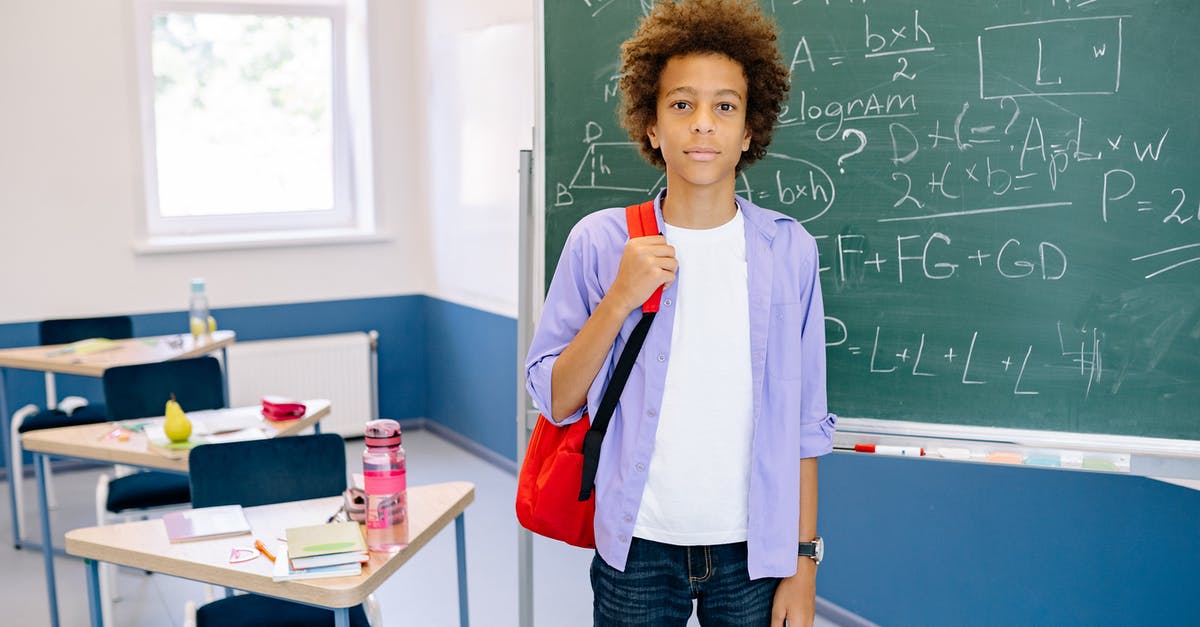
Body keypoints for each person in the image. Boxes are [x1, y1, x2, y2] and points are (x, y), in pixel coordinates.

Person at [525, 1, 836, 624]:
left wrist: (803, 566)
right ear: (651, 125)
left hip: (752, 553)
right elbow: (555, 399)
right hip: (636, 545)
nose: (703, 125)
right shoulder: (599, 242)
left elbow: (804, 425)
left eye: (725, 106)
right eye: (681, 104)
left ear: (749, 131)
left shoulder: (789, 251)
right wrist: (618, 299)